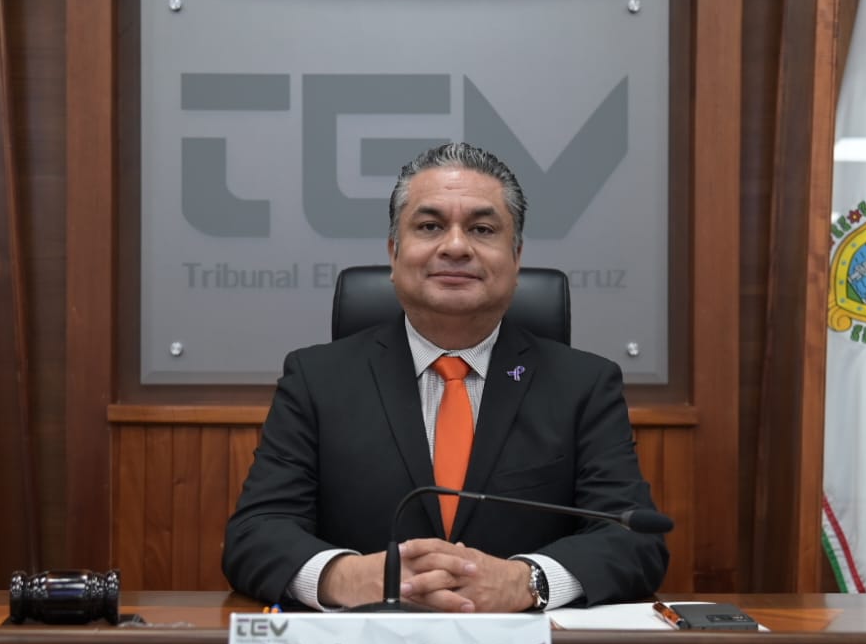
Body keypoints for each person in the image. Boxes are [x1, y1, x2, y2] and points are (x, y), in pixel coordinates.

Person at [222, 142, 668, 612]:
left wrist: (526, 582)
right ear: (394, 253)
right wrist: (347, 577)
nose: (455, 246)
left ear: (516, 258)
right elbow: (255, 533)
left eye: (482, 229)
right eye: (430, 226)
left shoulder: (584, 385)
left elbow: (635, 539)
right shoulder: (316, 380)